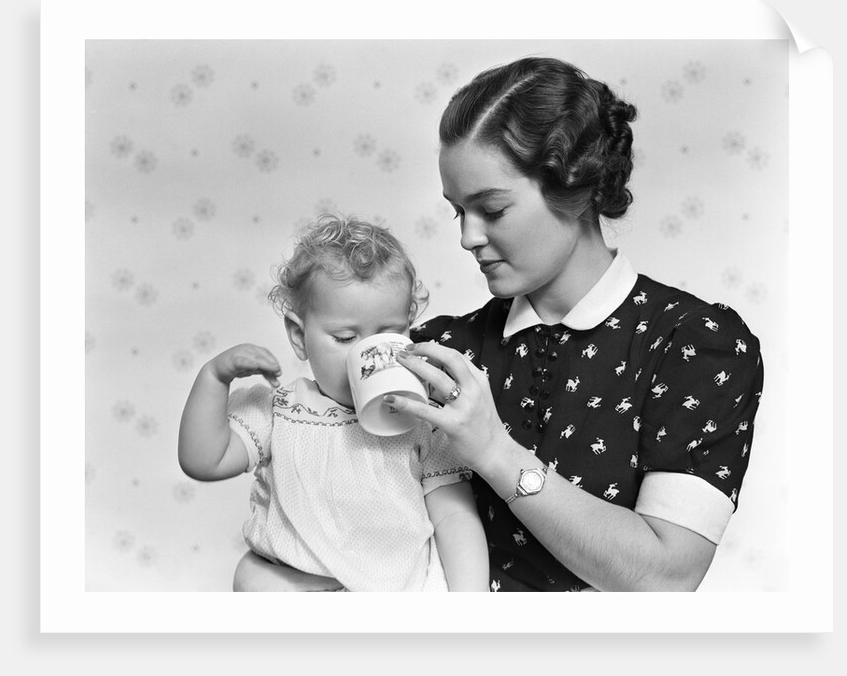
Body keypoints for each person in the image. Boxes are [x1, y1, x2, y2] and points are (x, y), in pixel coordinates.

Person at [235, 56, 765, 592]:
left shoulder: (696, 344)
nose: (467, 237)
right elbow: (326, 508)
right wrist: (269, 574)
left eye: (492, 209)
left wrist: (492, 451)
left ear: (576, 187)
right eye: (457, 211)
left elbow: (667, 578)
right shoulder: (436, 349)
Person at [178, 214, 489, 592]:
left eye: (391, 334)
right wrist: (214, 378)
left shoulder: (422, 420)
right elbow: (203, 461)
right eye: (345, 337)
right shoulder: (281, 411)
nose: (370, 353)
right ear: (299, 335)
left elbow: (454, 517)